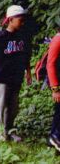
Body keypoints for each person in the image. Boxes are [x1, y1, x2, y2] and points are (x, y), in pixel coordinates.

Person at [0, 5, 32, 142]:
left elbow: (26, 55)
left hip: (17, 76)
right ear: (11, 19)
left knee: (13, 107)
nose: (23, 22)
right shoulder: (1, 37)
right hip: (2, 77)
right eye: (20, 19)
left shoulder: (23, 36)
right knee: (0, 105)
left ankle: (9, 131)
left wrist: (28, 72)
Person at [47, 17, 60, 152]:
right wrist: (55, 88)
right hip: (58, 81)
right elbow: (50, 64)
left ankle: (53, 138)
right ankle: (55, 137)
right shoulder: (58, 39)